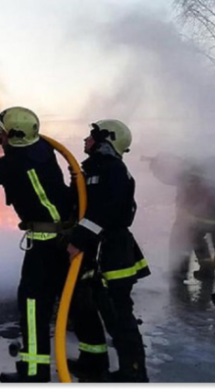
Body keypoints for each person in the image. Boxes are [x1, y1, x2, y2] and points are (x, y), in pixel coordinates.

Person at [0, 107, 74, 384]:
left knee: (33, 305)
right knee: (61, 302)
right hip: (64, 240)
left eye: (1, 132)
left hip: (45, 247)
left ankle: (34, 373)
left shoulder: (14, 166)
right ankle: (79, 358)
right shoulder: (43, 149)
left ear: (13, 135)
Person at [66, 120, 151, 383]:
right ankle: (93, 362)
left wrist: (78, 239)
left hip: (111, 252)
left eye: (91, 136)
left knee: (117, 314)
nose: (85, 140)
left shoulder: (112, 169)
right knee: (85, 306)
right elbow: (80, 205)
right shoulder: (95, 169)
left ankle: (133, 374)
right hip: (97, 250)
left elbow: (105, 210)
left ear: (106, 139)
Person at [145, 154, 215, 287]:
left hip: (194, 219)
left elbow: (169, 179)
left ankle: (180, 273)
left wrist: (155, 167)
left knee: (182, 240)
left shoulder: (189, 169)